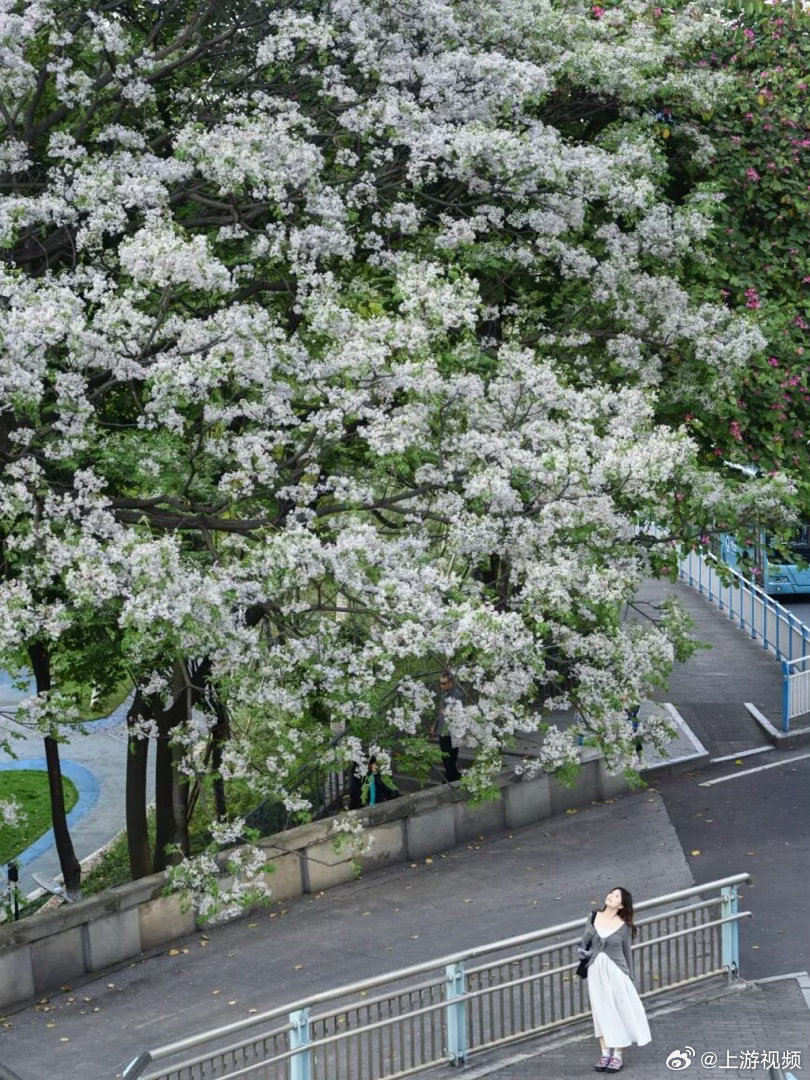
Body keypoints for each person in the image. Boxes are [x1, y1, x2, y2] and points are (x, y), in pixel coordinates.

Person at [578, 886, 650, 1073]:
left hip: (617, 972)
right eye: (611, 893)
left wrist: (630, 977)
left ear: (621, 905)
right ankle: (604, 1053)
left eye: (617, 896)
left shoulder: (624, 926)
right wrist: (590, 932)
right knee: (600, 1011)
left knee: (619, 1010)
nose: (611, 896)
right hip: (596, 971)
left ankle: (617, 1054)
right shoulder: (593, 916)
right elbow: (584, 942)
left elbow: (627, 953)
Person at [431, 670, 463, 783]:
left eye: (444, 683)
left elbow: (457, 713)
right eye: (440, 683)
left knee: (451, 755)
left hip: (452, 730)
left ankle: (450, 777)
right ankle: (453, 776)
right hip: (443, 729)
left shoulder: (457, 695)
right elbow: (441, 712)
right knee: (445, 755)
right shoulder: (444, 694)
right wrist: (435, 725)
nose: (441, 685)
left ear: (451, 682)